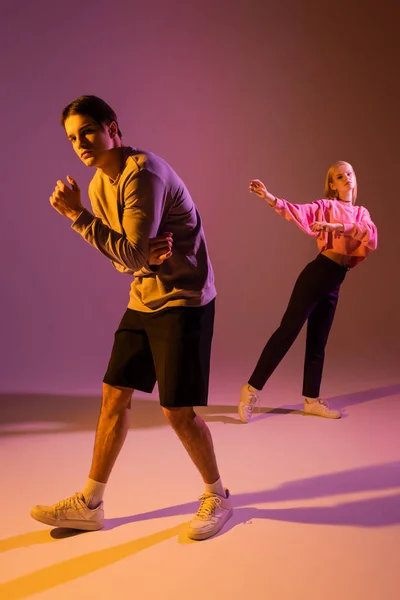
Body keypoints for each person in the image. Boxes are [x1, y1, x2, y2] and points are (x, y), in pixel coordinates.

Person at [30, 95, 232, 541]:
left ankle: (218, 495)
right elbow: (124, 259)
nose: (80, 142)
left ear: (112, 127)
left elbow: (129, 251)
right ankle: (91, 503)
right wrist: (138, 258)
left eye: (87, 131)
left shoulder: (143, 174)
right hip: (145, 298)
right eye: (71, 138)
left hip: (185, 299)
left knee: (177, 411)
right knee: (113, 396)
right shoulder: (101, 185)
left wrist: (78, 217)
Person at [238, 161, 378, 424]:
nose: (346, 178)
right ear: (333, 186)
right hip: (317, 275)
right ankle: (251, 390)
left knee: (318, 341)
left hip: (335, 280)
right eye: (340, 176)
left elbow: (370, 235)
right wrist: (269, 197)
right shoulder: (326, 207)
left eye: (349, 173)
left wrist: (338, 228)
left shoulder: (361, 213)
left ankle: (311, 400)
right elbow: (297, 211)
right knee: (287, 332)